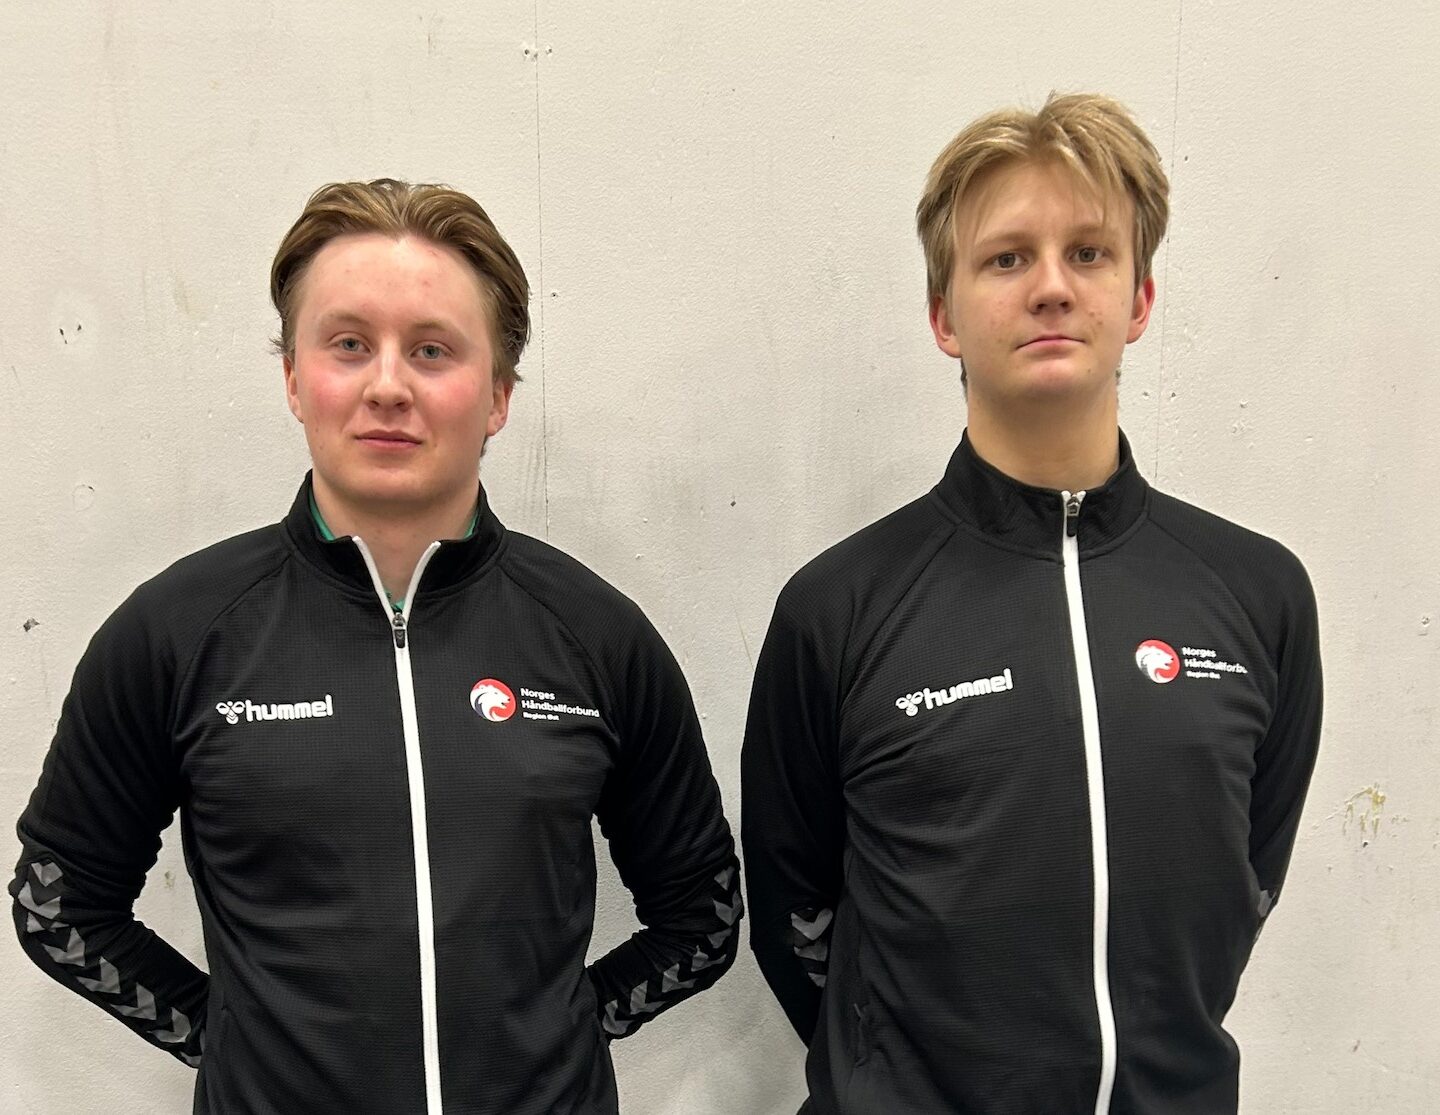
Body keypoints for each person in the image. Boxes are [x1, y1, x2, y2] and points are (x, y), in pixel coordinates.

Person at [12, 179, 742, 1114]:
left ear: (498, 394)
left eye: (432, 349)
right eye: (349, 344)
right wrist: (236, 1048)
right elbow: (58, 902)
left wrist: (552, 1043)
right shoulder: (176, 633)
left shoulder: (597, 634)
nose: (388, 385)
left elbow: (703, 914)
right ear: (293, 378)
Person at [741, 94, 1322, 1114]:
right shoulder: (838, 608)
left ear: (1139, 298)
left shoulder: (1258, 593)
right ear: (944, 316)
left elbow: (1239, 890)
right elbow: (797, 918)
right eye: (1007, 258)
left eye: (1089, 253)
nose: (1051, 285)